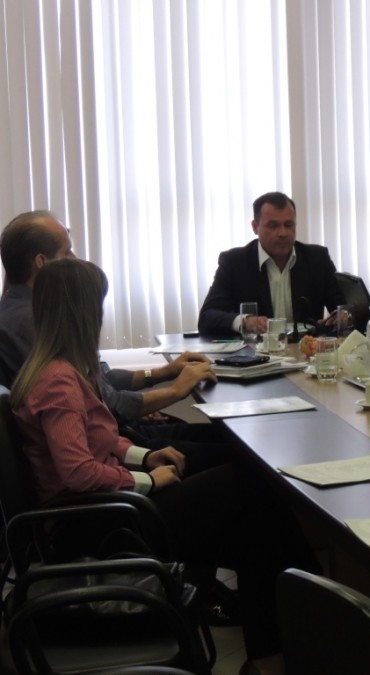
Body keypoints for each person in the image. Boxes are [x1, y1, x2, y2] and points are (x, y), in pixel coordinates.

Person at [10, 258, 317, 675]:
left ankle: (272, 657)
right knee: (251, 482)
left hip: (107, 509)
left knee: (256, 530)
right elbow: (78, 472)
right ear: (82, 313)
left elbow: (101, 440)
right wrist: (147, 480)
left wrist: (144, 456)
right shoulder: (59, 382)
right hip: (95, 525)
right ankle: (312, 610)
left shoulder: (63, 370)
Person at [0, 211, 220, 459]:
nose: (76, 259)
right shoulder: (34, 324)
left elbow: (100, 379)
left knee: (225, 443)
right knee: (236, 456)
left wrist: (164, 373)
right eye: (67, 252)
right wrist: (174, 391)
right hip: (107, 449)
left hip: (114, 438)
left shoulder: (33, 312)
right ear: (42, 262)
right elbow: (104, 403)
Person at [198, 191, 346, 337]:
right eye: (273, 225)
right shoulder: (235, 262)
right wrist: (245, 321)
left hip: (306, 349)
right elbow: (207, 317)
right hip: (256, 350)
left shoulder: (317, 259)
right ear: (255, 227)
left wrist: (344, 316)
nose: (283, 233)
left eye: (288, 225)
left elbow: (343, 308)